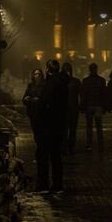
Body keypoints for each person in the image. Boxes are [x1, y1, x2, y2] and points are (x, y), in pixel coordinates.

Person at [39, 60, 68, 192]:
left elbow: (46, 102)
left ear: (48, 69)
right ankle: (57, 182)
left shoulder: (51, 83)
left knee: (46, 154)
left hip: (50, 123)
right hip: (59, 122)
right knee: (56, 155)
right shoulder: (62, 82)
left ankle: (47, 183)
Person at [81, 63, 107, 151]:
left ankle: (89, 144)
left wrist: (82, 106)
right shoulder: (101, 80)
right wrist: (104, 106)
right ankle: (100, 144)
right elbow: (104, 94)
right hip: (98, 105)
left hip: (89, 105)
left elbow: (84, 95)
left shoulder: (85, 81)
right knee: (99, 126)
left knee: (89, 126)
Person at [23, 68, 45, 167]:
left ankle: (40, 154)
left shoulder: (44, 85)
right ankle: (40, 153)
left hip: (41, 114)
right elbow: (24, 98)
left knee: (41, 134)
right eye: (35, 74)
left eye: (39, 74)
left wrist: (39, 100)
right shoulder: (30, 85)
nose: (37, 76)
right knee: (36, 134)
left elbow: (46, 99)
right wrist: (27, 99)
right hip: (33, 113)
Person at [61, 63, 82, 155]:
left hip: (72, 108)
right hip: (66, 108)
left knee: (71, 129)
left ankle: (69, 146)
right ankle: (67, 147)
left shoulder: (75, 81)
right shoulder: (62, 82)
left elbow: (81, 94)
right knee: (66, 129)